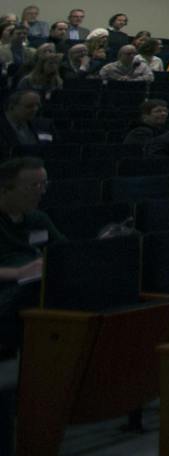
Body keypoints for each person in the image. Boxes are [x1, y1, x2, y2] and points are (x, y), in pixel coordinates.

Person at [0, 157, 59, 360]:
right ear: (5, 189)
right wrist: (18, 273)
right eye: (34, 185)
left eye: (44, 184)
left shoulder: (38, 218)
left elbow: (62, 252)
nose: (41, 191)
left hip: (34, 283)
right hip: (7, 287)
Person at [1, 91, 49, 159]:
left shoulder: (44, 125)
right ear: (11, 106)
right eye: (29, 106)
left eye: (38, 105)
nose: (35, 109)